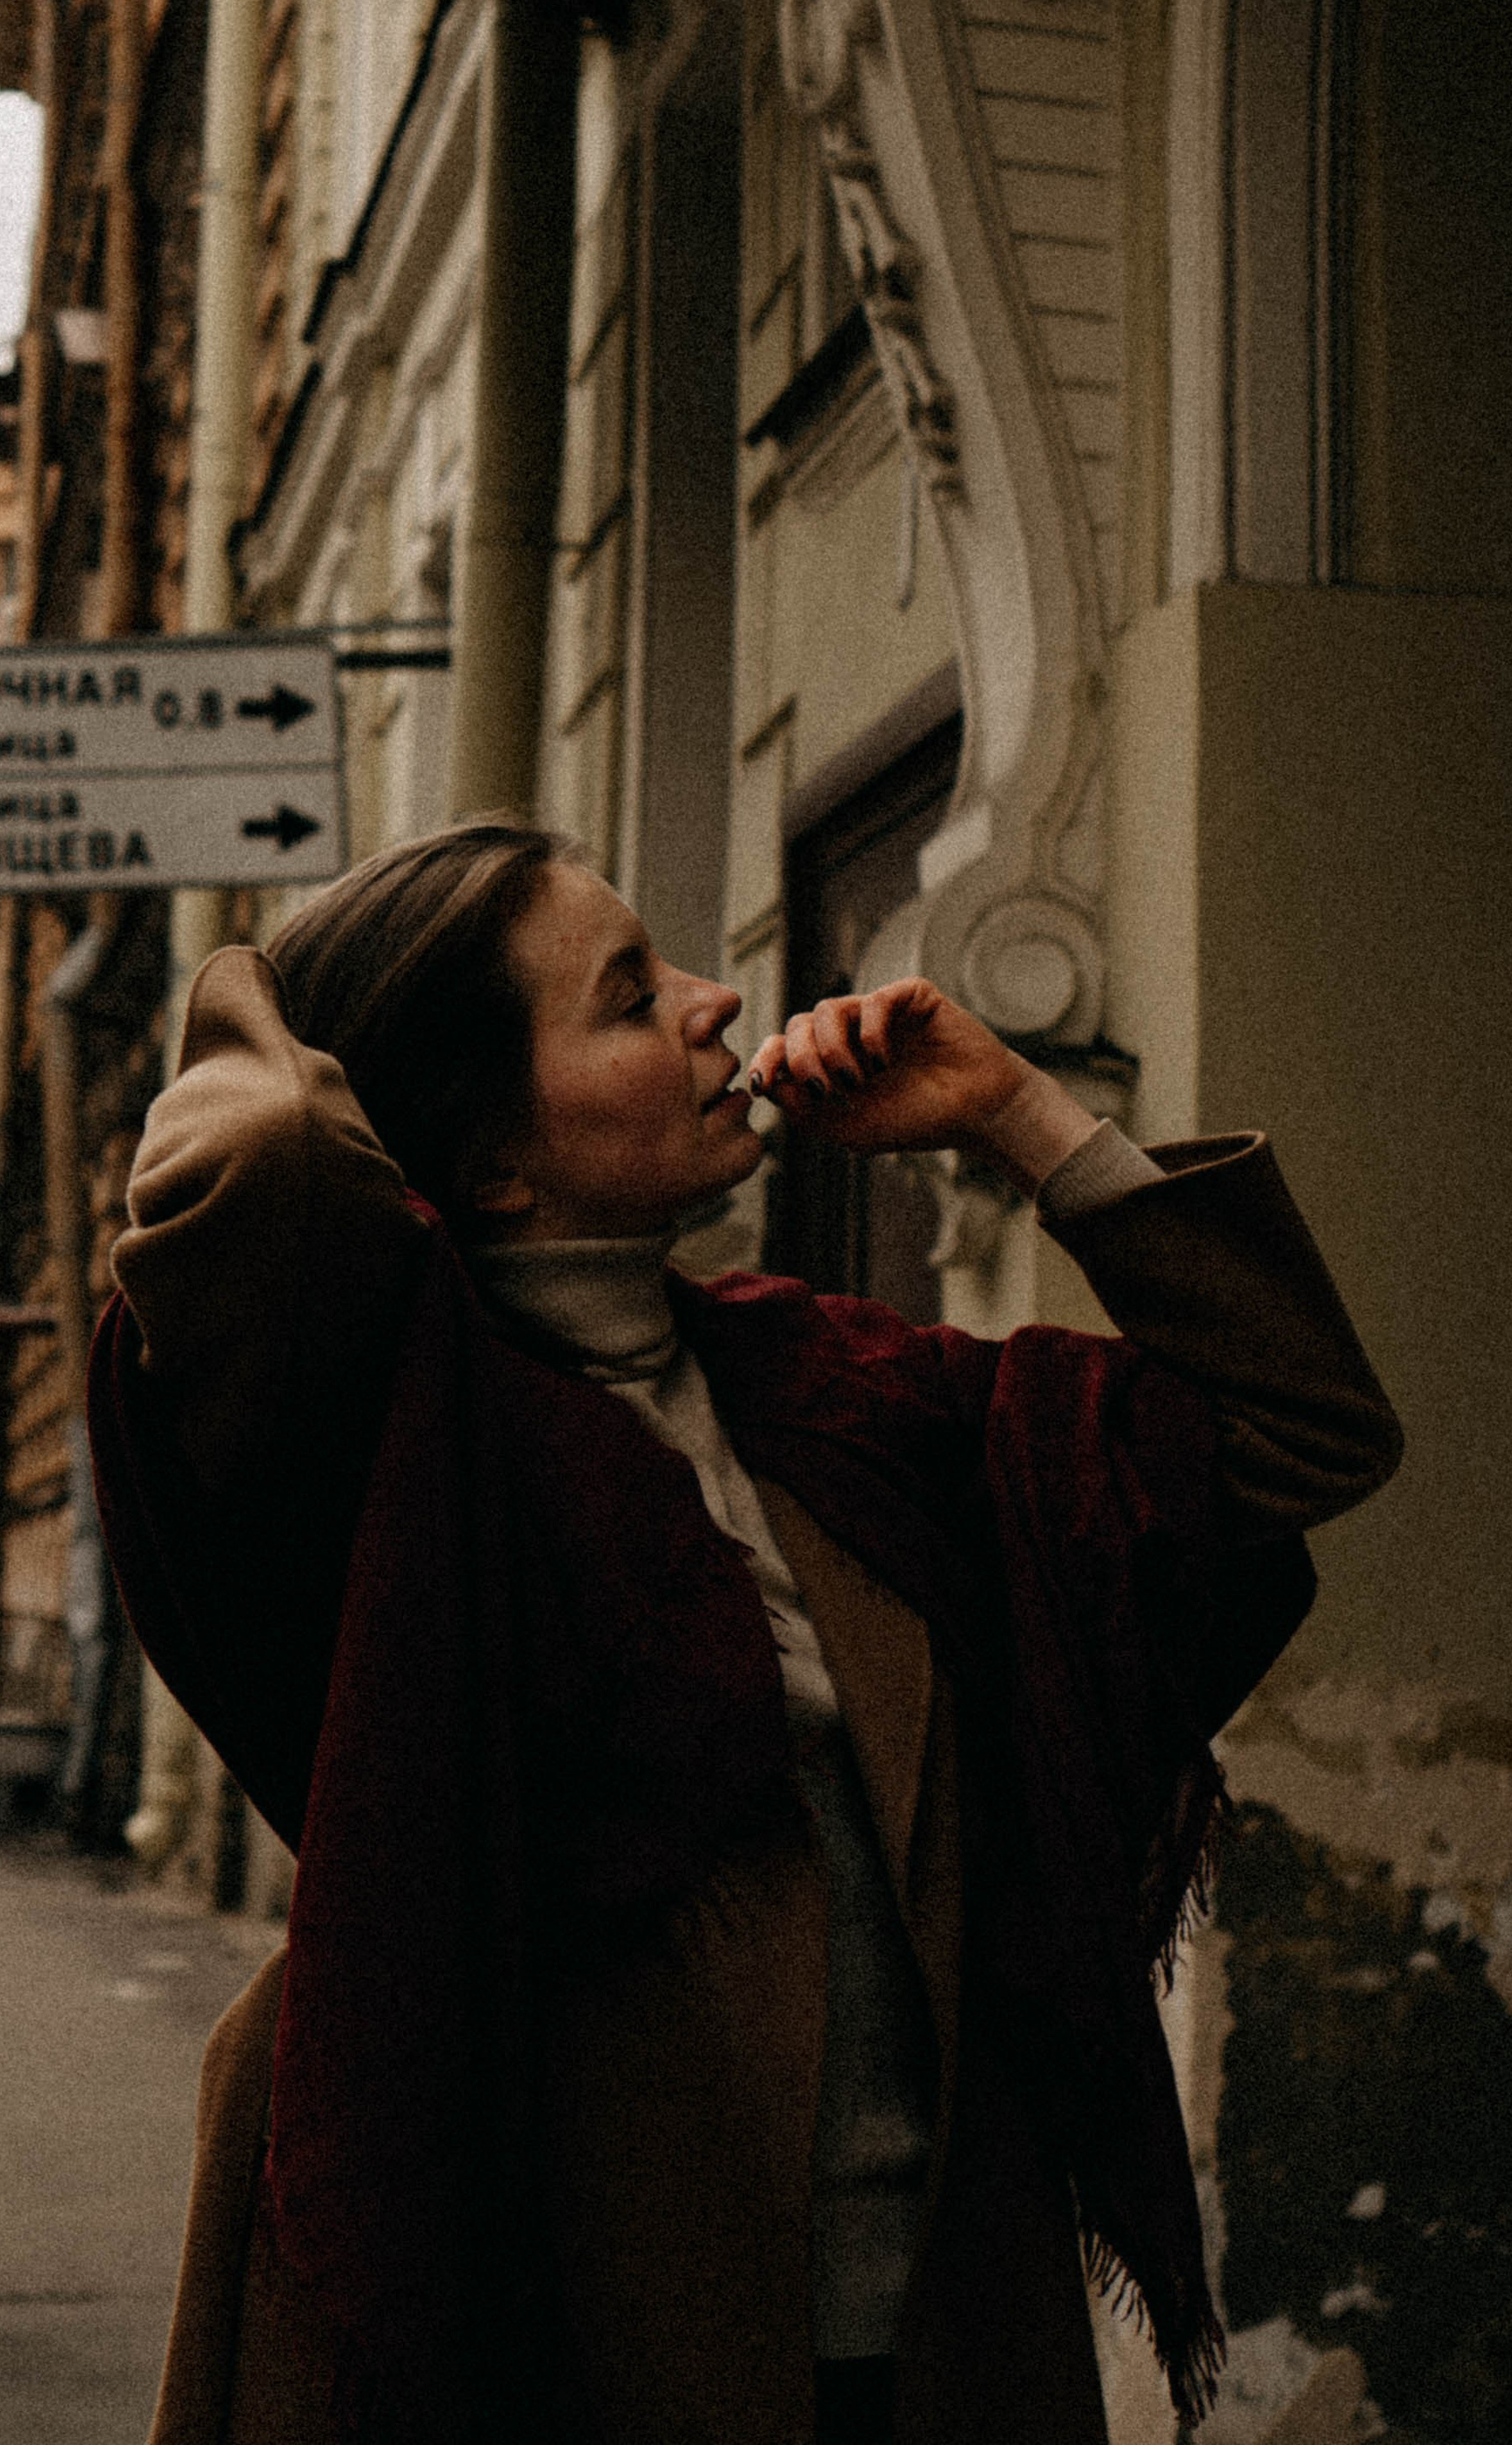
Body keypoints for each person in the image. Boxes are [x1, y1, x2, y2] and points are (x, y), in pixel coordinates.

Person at [90, 822, 1401, 2445]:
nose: (715, 1001)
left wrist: (1017, 1113)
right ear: (491, 1166)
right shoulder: (392, 1454)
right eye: (630, 996)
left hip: (942, 2333)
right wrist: (318, 1026)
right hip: (541, 2327)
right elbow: (270, 1147)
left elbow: (1302, 1429)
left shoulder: (842, 1400)